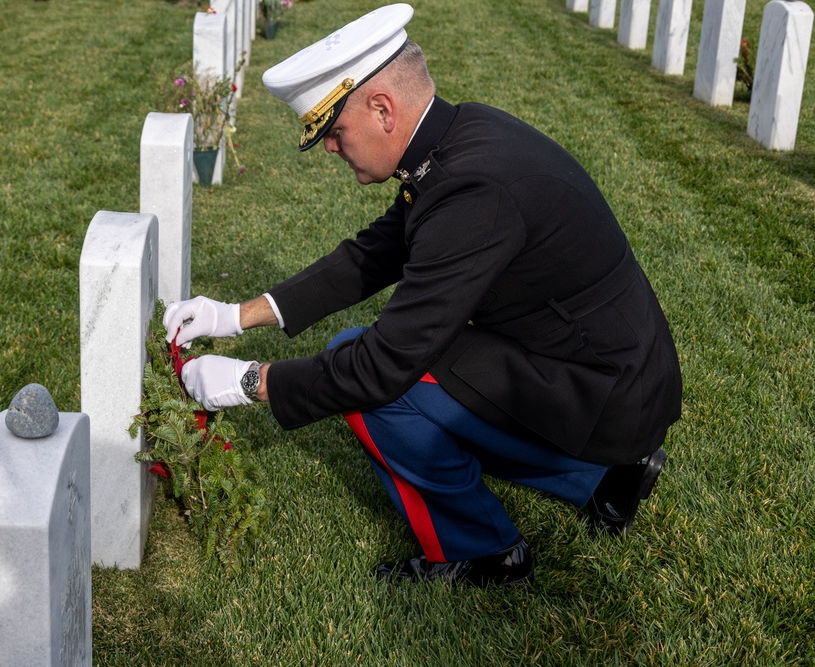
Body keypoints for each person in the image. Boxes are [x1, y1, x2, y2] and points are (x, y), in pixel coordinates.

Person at [163, 3, 682, 587]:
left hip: (605, 391)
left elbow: (384, 365)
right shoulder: (461, 137)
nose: (330, 149)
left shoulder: (472, 190)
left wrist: (248, 381)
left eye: (334, 131)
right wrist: (236, 316)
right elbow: (377, 252)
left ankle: (486, 551)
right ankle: (600, 479)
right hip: (593, 363)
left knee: (375, 390)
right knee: (377, 364)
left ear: (382, 108)